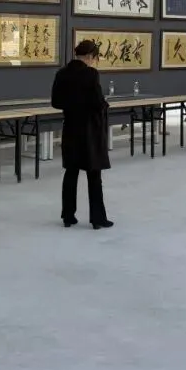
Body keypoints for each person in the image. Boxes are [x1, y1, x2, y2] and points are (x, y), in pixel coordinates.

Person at [51, 39, 113, 229]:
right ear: (90, 56)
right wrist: (104, 105)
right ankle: (97, 218)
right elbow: (97, 102)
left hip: (71, 127)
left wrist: (73, 106)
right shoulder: (91, 74)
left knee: (71, 172)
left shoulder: (62, 73)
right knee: (94, 175)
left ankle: (68, 216)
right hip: (90, 130)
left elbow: (56, 102)